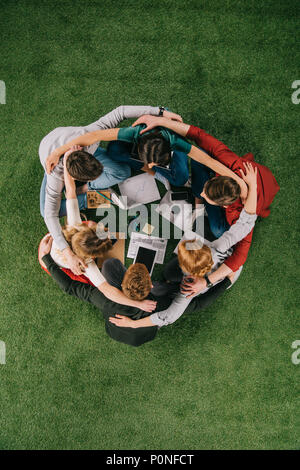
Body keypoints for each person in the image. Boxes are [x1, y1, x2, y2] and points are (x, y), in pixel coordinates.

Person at [129, 114, 279, 282]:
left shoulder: (242, 216)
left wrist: (208, 281)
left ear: (223, 205)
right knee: (200, 153)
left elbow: (240, 255)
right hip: (248, 176)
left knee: (218, 230)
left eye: (207, 196)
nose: (201, 193)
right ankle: (203, 198)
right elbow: (200, 136)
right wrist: (160, 121)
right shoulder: (232, 164)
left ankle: (204, 206)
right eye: (206, 190)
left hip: (257, 194)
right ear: (216, 177)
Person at [109, 163, 258, 329]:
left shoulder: (188, 287)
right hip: (211, 262)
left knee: (168, 277)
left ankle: (223, 283)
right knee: (167, 275)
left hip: (225, 274)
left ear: (185, 266)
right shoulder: (218, 245)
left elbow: (169, 317)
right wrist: (252, 186)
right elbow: (247, 221)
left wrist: (133, 325)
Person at [40, 105, 182, 275]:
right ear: (74, 178)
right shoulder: (55, 176)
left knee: (122, 172)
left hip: (74, 147)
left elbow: (120, 111)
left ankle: (88, 189)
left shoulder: (90, 136)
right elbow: (53, 211)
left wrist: (161, 112)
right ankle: (90, 196)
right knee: (46, 211)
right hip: (52, 162)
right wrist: (67, 252)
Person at [39, 236, 233, 346]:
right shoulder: (160, 304)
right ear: (150, 285)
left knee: (109, 266)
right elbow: (196, 304)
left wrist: (46, 259)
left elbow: (70, 288)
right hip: (143, 330)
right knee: (174, 284)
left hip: (116, 329)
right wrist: (225, 282)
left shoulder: (104, 300)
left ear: (122, 283)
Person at [39, 150, 157, 313]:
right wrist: (138, 304)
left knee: (96, 225)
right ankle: (99, 198)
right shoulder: (87, 266)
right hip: (55, 259)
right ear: (93, 256)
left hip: (52, 246)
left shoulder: (74, 225)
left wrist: (67, 162)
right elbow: (108, 291)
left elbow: (71, 191)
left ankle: (99, 198)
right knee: (101, 231)